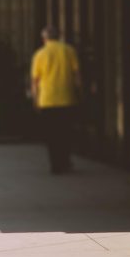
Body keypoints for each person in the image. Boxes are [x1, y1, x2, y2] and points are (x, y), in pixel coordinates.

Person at [31, 27, 81, 174]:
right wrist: (80, 92)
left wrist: (35, 99)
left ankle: (55, 164)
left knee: (52, 134)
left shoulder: (39, 54)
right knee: (65, 132)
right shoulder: (69, 51)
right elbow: (77, 75)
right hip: (67, 98)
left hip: (47, 100)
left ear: (44, 39)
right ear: (59, 37)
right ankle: (65, 161)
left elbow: (35, 81)